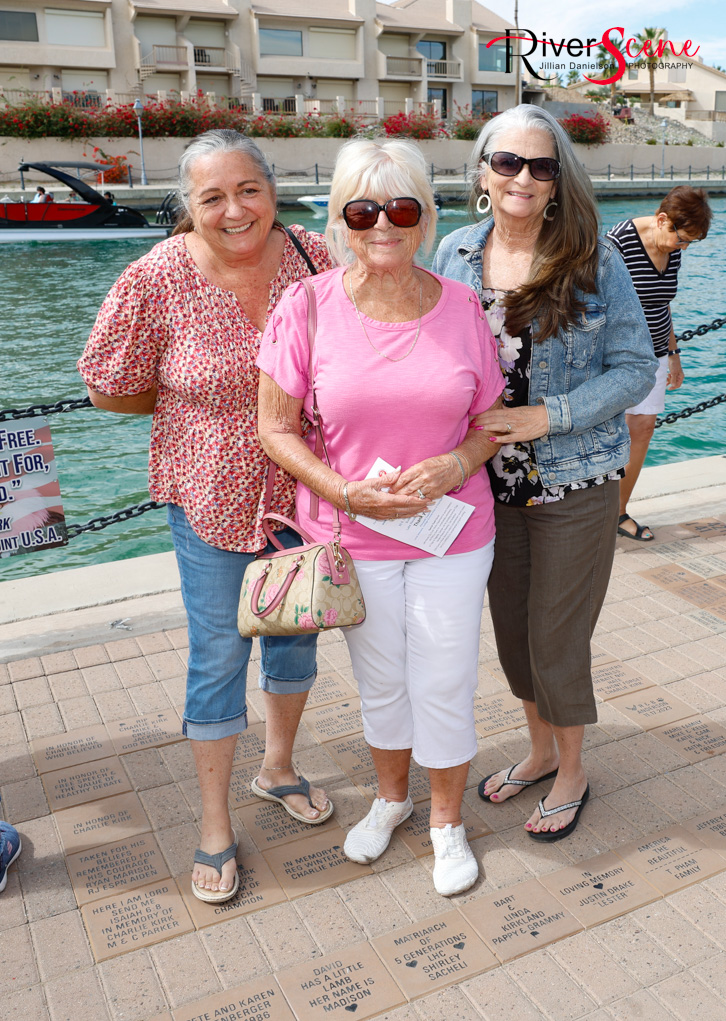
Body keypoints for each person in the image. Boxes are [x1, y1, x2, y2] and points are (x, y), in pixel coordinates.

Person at [78, 129, 333, 905]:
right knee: (218, 654)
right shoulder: (153, 278)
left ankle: (277, 766)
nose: (233, 210)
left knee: (294, 636)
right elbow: (106, 385)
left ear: (271, 188)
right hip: (211, 497)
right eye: (211, 196)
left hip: (302, 494)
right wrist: (200, 406)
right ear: (187, 206)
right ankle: (215, 821)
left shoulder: (313, 255)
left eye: (247, 189)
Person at [258, 139, 505, 896]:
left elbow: (490, 422)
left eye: (401, 208)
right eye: (362, 210)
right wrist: (342, 490)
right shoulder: (304, 305)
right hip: (353, 534)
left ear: (426, 217)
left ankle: (443, 821)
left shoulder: (463, 304)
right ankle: (392, 799)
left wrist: (456, 465)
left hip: (451, 532)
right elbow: (274, 427)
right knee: (381, 681)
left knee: (443, 676)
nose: (382, 226)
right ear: (338, 219)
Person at [433, 105, 656, 841]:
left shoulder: (593, 257)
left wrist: (547, 415)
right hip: (481, 484)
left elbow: (632, 368)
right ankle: (535, 748)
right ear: (482, 173)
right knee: (511, 632)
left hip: (573, 480)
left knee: (557, 636)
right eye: (507, 163)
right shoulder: (455, 253)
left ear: (558, 181)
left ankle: (570, 768)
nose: (522, 178)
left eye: (540, 166)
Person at [607, 186, 712, 541]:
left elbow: (662, 304)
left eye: (689, 243)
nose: (682, 248)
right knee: (605, 435)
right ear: (663, 220)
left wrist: (673, 354)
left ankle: (618, 513)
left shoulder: (673, 248)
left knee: (643, 430)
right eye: (682, 239)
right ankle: (590, 516)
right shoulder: (617, 243)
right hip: (615, 359)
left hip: (653, 355)